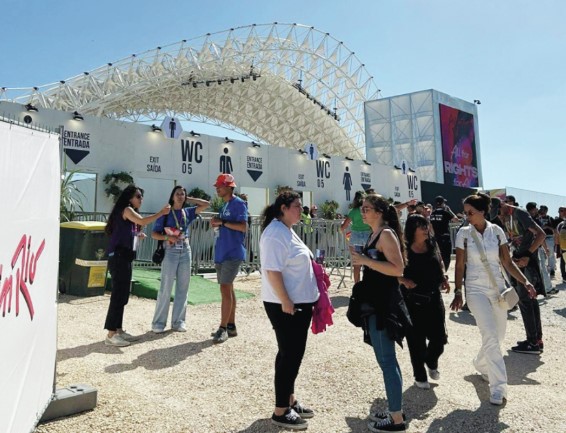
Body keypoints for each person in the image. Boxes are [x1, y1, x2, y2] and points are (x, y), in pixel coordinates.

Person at [450, 193, 536, 405]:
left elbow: (507, 262)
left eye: (470, 212)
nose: (467, 216)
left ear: (483, 212)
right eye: (466, 212)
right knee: (489, 334)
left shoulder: (497, 231)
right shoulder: (463, 233)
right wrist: (458, 291)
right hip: (475, 290)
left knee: (497, 336)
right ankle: (498, 388)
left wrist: (525, 282)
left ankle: (480, 363)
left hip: (498, 290)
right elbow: (460, 265)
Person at [259, 191, 319, 430]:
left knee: (290, 353)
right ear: (283, 208)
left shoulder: (285, 229)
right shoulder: (275, 233)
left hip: (296, 302)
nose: (300, 210)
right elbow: (272, 271)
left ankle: (288, 399)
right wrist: (285, 300)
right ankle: (280, 409)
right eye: (296, 206)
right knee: (290, 354)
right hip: (286, 304)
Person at [351, 194, 408, 432]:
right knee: (385, 359)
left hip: (384, 305)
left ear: (380, 212)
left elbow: (398, 268)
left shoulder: (385, 234)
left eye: (367, 209)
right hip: (375, 302)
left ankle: (396, 419)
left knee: (387, 360)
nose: (362, 212)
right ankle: (396, 408)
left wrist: (365, 260)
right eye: (362, 208)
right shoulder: (375, 233)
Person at [103, 185, 170, 347]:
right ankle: (111, 334)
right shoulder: (126, 209)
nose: (141, 199)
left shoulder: (128, 212)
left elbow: (130, 229)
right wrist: (160, 213)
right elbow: (141, 221)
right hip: (118, 257)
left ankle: (118, 330)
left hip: (125, 256)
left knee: (123, 295)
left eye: (141, 196)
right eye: (138, 196)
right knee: (118, 295)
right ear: (130, 198)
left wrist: (137, 235)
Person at [150, 186, 209, 333]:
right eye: (178, 194)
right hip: (170, 250)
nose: (180, 196)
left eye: (182, 194)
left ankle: (179, 322)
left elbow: (206, 204)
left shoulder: (187, 211)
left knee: (183, 287)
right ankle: (158, 323)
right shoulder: (166, 212)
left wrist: (188, 199)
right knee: (166, 286)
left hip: (185, 249)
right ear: (172, 196)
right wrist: (167, 237)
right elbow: (154, 234)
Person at [400, 214, 449, 390]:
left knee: (439, 340)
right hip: (412, 301)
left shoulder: (432, 244)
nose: (426, 230)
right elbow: (392, 271)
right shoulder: (403, 249)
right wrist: (403, 280)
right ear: (413, 230)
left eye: (426, 226)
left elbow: (439, 262)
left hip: (434, 297)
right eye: (422, 227)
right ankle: (419, 375)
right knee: (416, 341)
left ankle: (431, 360)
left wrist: (443, 277)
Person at [493, 197, 547, 354]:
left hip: (526, 262)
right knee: (529, 299)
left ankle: (533, 342)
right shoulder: (508, 217)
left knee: (525, 300)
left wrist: (528, 255)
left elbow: (541, 235)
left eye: (498, 213)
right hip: (519, 259)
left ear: (503, 206)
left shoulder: (520, 214)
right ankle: (536, 339)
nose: (498, 217)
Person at [210, 174, 248, 344]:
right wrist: (218, 223)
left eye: (220, 186)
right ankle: (231, 325)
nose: (217, 188)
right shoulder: (225, 205)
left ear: (229, 187)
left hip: (232, 253)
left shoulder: (238, 204)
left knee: (225, 289)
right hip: (223, 252)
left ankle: (223, 328)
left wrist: (222, 223)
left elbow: (243, 227)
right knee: (228, 289)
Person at [340, 191, 371, 283]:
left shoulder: (353, 211)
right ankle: (367, 285)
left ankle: (357, 286)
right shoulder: (367, 210)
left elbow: (344, 226)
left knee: (356, 264)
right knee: (368, 263)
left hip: (355, 237)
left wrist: (341, 229)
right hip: (367, 236)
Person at [430, 196, 460, 271]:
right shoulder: (445, 213)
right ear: (443, 203)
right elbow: (456, 220)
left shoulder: (432, 213)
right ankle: (444, 272)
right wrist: (449, 210)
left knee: (437, 256)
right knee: (446, 257)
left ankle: (438, 272)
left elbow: (430, 226)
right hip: (445, 238)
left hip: (435, 238)